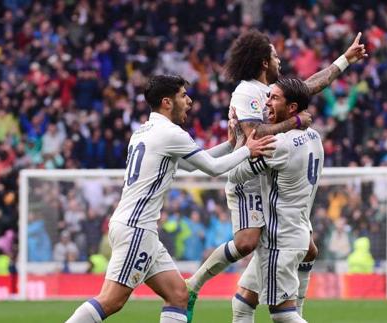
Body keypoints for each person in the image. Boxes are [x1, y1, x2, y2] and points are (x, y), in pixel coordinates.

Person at [186, 30, 367, 320]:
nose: (279, 59)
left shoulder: (274, 92)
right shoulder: (247, 92)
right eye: (274, 54)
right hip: (249, 180)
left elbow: (309, 86)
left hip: (271, 182)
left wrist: (345, 60)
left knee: (253, 295)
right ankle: (192, 285)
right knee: (249, 243)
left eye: (276, 101)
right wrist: (294, 121)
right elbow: (255, 136)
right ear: (262, 62)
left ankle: (296, 309)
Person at [65, 74, 275, 323]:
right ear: (167, 102)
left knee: (178, 295)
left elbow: (190, 166)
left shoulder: (143, 131)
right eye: (183, 96)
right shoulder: (171, 134)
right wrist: (246, 150)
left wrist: (231, 146)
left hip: (134, 226)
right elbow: (214, 169)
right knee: (112, 300)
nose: (189, 101)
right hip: (137, 229)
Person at [227, 78, 323, 322]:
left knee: (282, 315)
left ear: (292, 108)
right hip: (298, 231)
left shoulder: (277, 144)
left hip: (279, 240)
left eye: (274, 98)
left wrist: (240, 138)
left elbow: (236, 174)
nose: (266, 103)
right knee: (242, 301)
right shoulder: (314, 136)